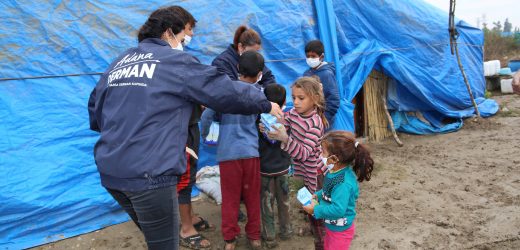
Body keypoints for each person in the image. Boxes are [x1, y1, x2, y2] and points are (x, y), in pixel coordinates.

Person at [87, 7, 282, 250]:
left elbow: (95, 113)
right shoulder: (175, 62)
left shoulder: (119, 62)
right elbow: (223, 90)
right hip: (149, 174)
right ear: (169, 33)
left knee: (155, 235)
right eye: (182, 38)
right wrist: (264, 103)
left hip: (111, 171)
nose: (184, 44)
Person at [200, 51, 265, 250]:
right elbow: (265, 119)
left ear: (237, 68)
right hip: (251, 153)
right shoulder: (258, 93)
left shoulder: (224, 91)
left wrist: (203, 135)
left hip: (228, 155)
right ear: (259, 74)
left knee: (230, 198)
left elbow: (206, 117)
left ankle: (230, 239)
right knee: (253, 196)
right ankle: (254, 236)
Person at [170, 6, 214, 249]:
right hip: (181, 130)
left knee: (190, 172)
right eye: (188, 30)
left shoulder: (179, 60)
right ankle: (186, 228)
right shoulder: (171, 61)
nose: (190, 35)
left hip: (190, 125)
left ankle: (189, 216)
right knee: (184, 178)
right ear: (173, 30)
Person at [267, 76, 327, 249]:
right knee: (308, 204)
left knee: (317, 209)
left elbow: (303, 153)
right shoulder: (294, 113)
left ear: (314, 99)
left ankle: (321, 241)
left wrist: (285, 138)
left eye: (301, 98)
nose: (296, 102)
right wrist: (271, 126)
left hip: (316, 173)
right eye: (293, 98)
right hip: (305, 172)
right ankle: (313, 227)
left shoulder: (315, 124)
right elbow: (285, 122)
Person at [302, 131, 374, 250]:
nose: (321, 154)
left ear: (335, 158)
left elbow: (338, 210)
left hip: (340, 231)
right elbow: (327, 189)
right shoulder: (334, 172)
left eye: (323, 152)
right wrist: (317, 195)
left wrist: (315, 209)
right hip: (332, 226)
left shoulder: (343, 183)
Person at [258, 84, 293, 248]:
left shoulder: (259, 120)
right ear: (285, 100)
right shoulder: (288, 119)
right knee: (284, 201)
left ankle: (269, 236)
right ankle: (287, 231)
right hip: (283, 168)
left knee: (266, 204)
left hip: (264, 169)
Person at [303, 40, 340, 128]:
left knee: (322, 141)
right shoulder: (306, 74)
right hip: (309, 118)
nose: (310, 59)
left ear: (321, 56)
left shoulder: (327, 74)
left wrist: (324, 119)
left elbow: (333, 100)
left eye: (313, 56)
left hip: (323, 120)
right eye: (308, 56)